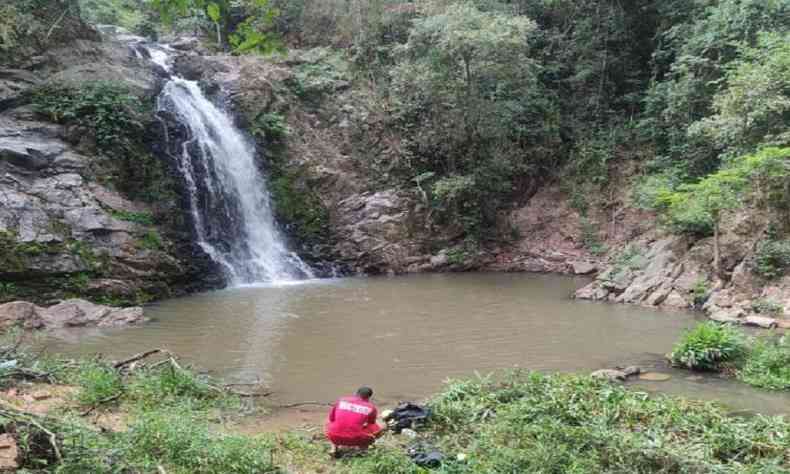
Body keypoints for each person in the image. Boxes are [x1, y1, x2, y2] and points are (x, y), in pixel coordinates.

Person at [325, 386, 384, 456]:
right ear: (369, 397)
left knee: (333, 424)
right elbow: (371, 423)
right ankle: (363, 450)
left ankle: (333, 449)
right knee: (376, 428)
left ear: (356, 393)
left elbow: (331, 418)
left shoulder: (341, 400)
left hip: (333, 436)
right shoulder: (371, 407)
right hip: (355, 439)